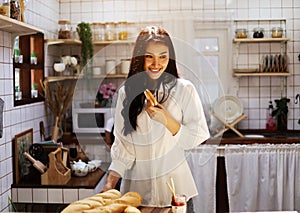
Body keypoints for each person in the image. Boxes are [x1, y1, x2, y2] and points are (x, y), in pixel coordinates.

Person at [101, 26, 210, 211]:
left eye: (163, 56)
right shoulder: (126, 93)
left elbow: (198, 136)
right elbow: (124, 146)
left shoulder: (184, 89)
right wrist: (109, 184)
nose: (156, 63)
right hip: (137, 196)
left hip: (176, 195)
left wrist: (167, 120)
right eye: (149, 56)